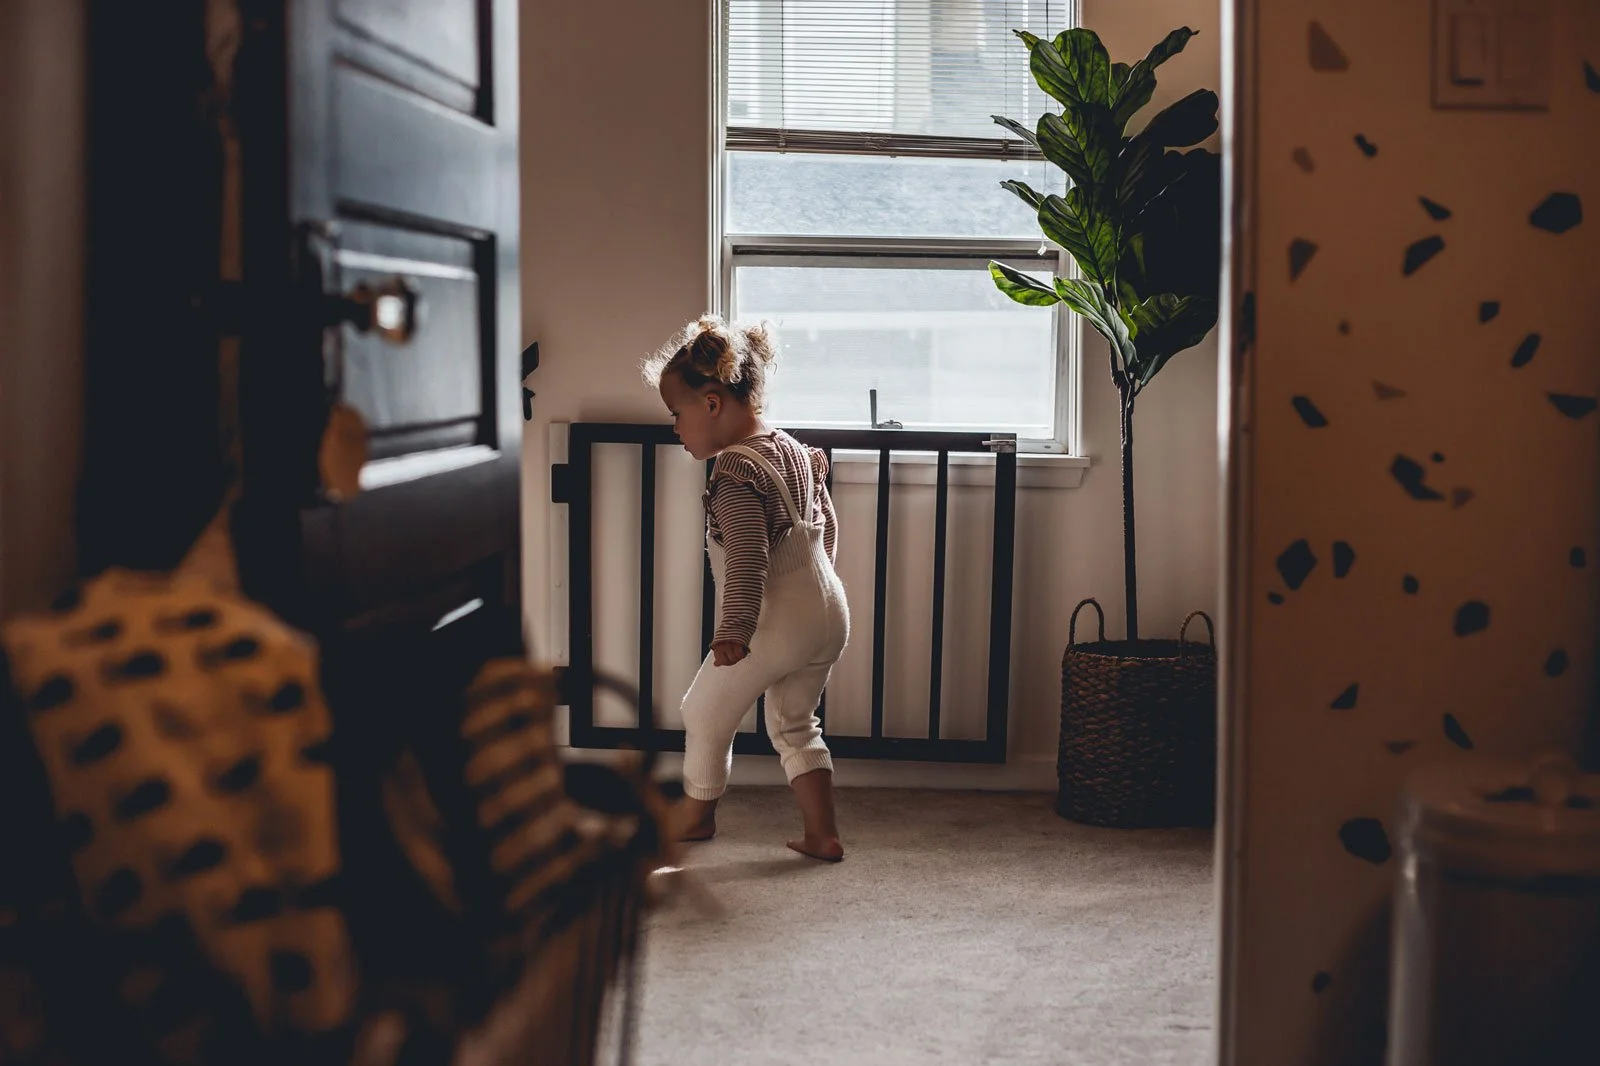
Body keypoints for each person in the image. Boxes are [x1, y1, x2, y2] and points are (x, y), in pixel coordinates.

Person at [643, 315, 849, 862]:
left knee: (703, 709)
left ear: (712, 404)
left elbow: (749, 558)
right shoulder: (794, 452)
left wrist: (734, 629)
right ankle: (822, 834)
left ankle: (697, 817)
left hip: (774, 620)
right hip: (828, 609)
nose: (675, 429)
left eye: (677, 414)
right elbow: (825, 523)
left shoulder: (735, 471)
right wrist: (819, 587)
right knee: (795, 723)